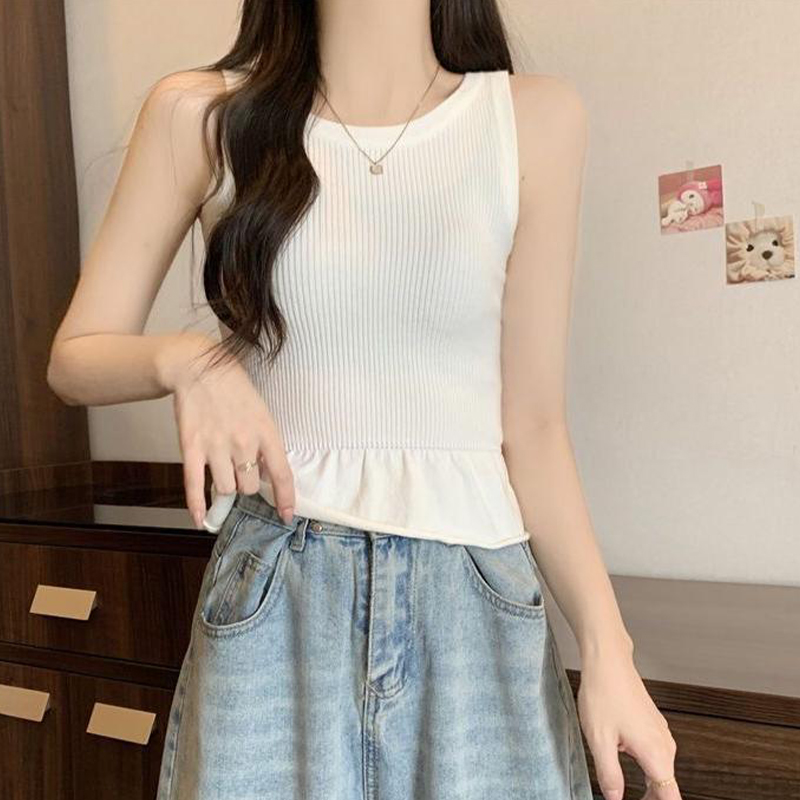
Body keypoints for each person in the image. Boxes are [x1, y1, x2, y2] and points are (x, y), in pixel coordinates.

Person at [47, 1, 681, 798]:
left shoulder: (534, 120)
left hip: (474, 598)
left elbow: (534, 425)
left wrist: (609, 650)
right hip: (279, 587)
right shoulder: (201, 115)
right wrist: (190, 360)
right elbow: (74, 359)